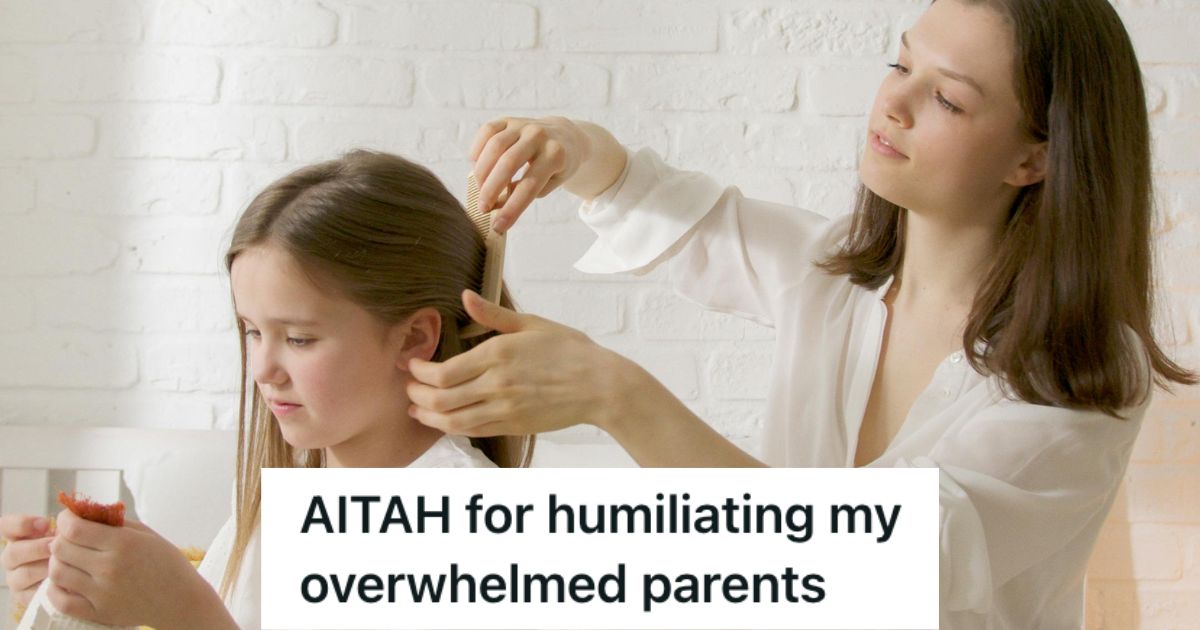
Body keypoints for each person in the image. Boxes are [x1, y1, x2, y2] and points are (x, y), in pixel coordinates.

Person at [404, 0, 1197, 627]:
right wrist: (567, 145)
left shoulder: (1077, 375)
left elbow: (860, 567)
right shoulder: (832, 277)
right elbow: (673, 211)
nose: (893, 102)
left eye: (947, 99)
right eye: (900, 62)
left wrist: (617, 396)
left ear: (1035, 157)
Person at [1, 150, 533, 630]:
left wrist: (185, 611)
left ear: (414, 337)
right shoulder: (280, 505)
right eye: (252, 331)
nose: (261, 368)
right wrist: (92, 602)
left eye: (298, 338)